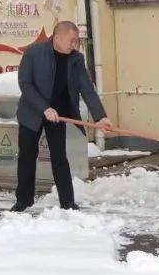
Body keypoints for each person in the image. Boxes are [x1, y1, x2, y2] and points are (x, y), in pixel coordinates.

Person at [10, 21, 112, 212]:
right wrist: (44, 108)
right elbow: (25, 84)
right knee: (27, 156)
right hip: (32, 112)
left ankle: (67, 202)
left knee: (59, 157)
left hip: (59, 115)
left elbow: (87, 89)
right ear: (57, 38)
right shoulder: (34, 52)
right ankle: (23, 200)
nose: (74, 45)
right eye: (71, 41)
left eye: (76, 42)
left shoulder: (76, 59)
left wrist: (100, 117)